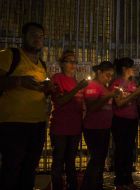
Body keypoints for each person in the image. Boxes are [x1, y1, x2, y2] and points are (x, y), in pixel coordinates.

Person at [0, 22, 50, 190]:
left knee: (30, 168)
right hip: (14, 123)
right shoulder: (10, 55)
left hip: (38, 123)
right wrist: (20, 81)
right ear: (23, 37)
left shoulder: (42, 64)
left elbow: (39, 90)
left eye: (41, 36)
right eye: (33, 35)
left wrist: (48, 89)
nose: (37, 39)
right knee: (11, 168)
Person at [50, 50, 88, 190]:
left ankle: (72, 186)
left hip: (75, 127)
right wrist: (77, 88)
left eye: (75, 61)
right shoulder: (57, 78)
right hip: (60, 127)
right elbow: (60, 101)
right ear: (62, 63)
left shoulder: (75, 80)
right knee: (58, 161)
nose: (73, 64)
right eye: (69, 61)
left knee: (71, 161)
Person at [110, 57, 140, 190]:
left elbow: (136, 101)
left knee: (130, 150)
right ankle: (119, 181)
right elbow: (118, 103)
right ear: (125, 69)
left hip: (132, 120)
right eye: (132, 67)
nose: (134, 69)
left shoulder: (133, 82)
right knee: (120, 150)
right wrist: (135, 93)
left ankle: (128, 180)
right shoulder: (116, 83)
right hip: (119, 120)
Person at [81, 61, 118, 190]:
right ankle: (89, 185)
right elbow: (92, 107)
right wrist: (108, 96)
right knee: (96, 159)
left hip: (104, 127)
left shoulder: (104, 86)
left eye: (111, 75)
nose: (109, 78)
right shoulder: (93, 86)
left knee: (100, 158)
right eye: (107, 75)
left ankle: (97, 183)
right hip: (94, 128)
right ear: (99, 72)